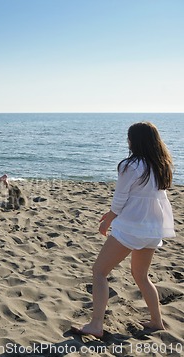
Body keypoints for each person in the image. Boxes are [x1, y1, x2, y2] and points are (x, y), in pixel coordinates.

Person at [73, 122, 175, 338]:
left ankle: (96, 325)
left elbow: (120, 199)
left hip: (132, 226)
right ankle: (157, 322)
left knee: (99, 271)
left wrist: (107, 220)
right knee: (142, 276)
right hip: (153, 228)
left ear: (133, 141)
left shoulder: (130, 165)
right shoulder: (161, 164)